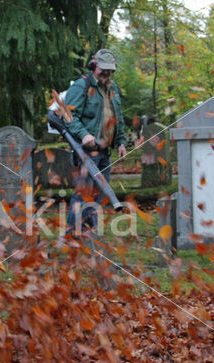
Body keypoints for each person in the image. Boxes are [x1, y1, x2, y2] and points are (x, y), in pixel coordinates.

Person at [64, 48, 126, 235]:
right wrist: (83, 134)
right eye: (102, 69)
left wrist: (121, 142)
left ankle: (89, 237)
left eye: (110, 70)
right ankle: (73, 238)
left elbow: (118, 118)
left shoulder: (113, 89)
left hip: (105, 153)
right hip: (85, 152)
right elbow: (69, 116)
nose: (106, 73)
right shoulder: (81, 86)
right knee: (83, 196)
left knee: (98, 197)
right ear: (93, 66)